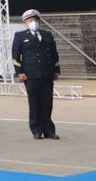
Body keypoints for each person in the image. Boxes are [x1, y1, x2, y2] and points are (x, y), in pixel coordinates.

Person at [13, 9, 60, 140]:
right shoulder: (20, 36)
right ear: (25, 23)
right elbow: (16, 56)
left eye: (35, 20)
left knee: (47, 103)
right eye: (30, 20)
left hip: (46, 74)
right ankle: (36, 129)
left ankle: (49, 130)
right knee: (34, 103)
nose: (33, 22)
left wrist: (56, 71)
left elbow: (54, 54)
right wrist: (19, 72)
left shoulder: (47, 35)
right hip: (30, 75)